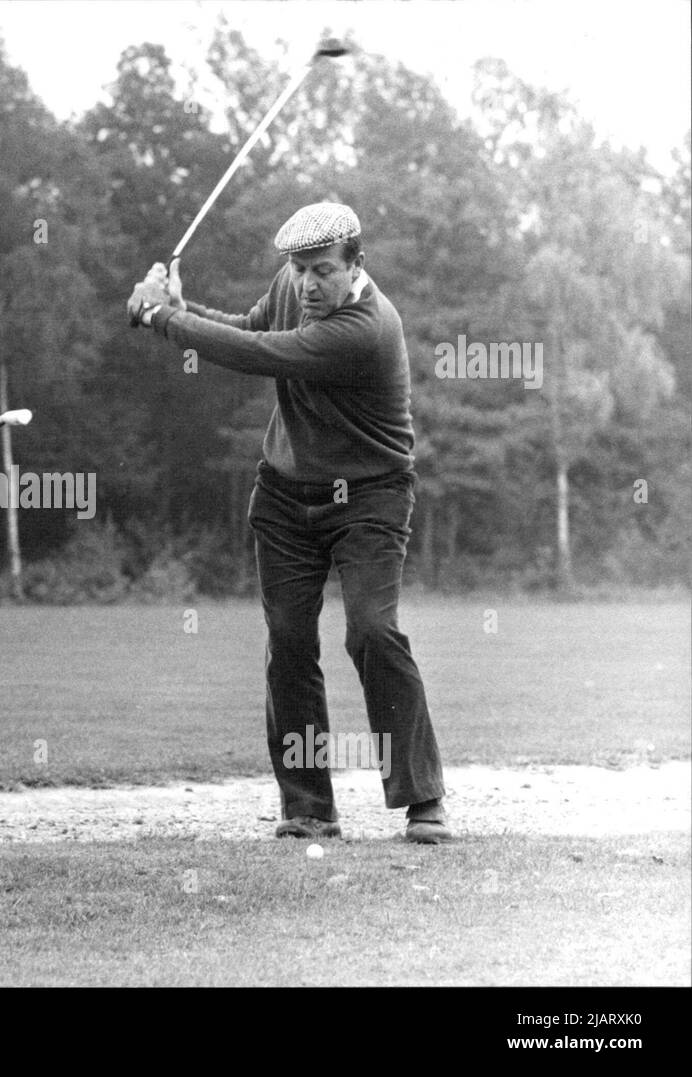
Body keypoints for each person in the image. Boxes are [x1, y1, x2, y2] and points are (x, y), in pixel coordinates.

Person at [127, 202, 450, 843]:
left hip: (370, 497)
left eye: (323, 270)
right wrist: (184, 311)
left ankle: (423, 797)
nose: (308, 284)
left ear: (357, 265)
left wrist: (163, 318)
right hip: (284, 495)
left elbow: (260, 354)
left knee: (372, 632)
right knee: (289, 644)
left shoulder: (366, 329)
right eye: (300, 269)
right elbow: (250, 326)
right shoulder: (291, 288)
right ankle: (308, 806)